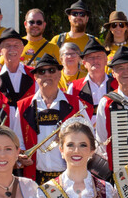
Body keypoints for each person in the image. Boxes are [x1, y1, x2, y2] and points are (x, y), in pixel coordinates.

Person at [9, 54, 89, 183]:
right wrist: (20, 157)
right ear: (35, 77)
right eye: (42, 71)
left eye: (52, 70)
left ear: (59, 74)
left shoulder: (75, 104)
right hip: (34, 178)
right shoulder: (23, 107)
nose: (47, 74)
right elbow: (17, 142)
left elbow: (89, 138)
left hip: (69, 178)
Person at [0, 29, 34, 106]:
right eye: (8, 46)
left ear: (22, 49)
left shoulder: (34, 74)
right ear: (0, 50)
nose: (12, 49)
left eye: (16, 45)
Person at [73, 39, 115, 112]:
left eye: (99, 56)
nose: (95, 60)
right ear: (84, 63)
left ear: (106, 60)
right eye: (91, 57)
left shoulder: (118, 84)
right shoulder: (74, 87)